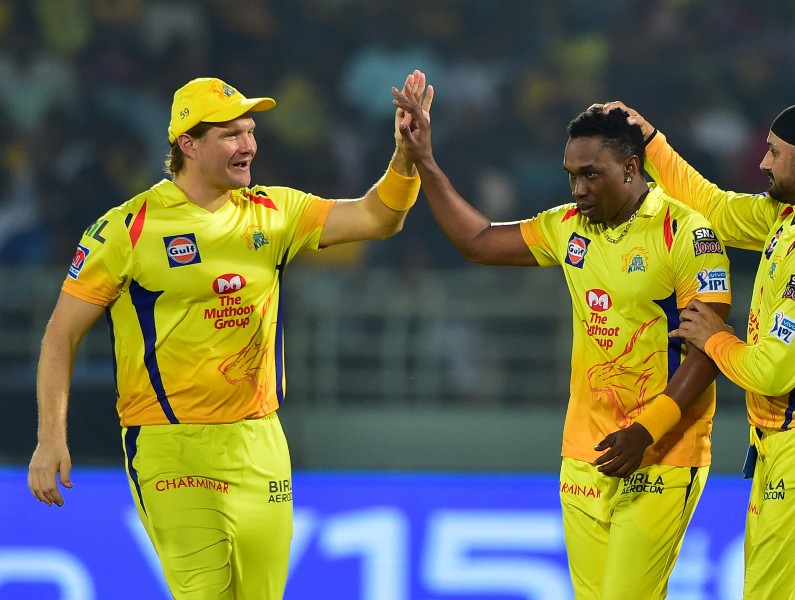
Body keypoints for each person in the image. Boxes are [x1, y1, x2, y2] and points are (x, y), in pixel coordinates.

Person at [28, 70, 433, 599]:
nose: (248, 145)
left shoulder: (274, 212)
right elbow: (60, 335)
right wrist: (50, 438)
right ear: (188, 144)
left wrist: (405, 157)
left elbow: (378, 219)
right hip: (170, 445)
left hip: (260, 442)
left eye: (249, 131)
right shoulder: (127, 228)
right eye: (231, 135)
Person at [392, 91, 732, 598]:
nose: (578, 189)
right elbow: (478, 241)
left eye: (591, 174)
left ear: (631, 168)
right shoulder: (568, 227)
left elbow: (709, 350)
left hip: (662, 452)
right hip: (584, 455)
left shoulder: (686, 233)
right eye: (571, 175)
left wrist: (646, 431)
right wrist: (424, 161)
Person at [601, 99, 795, 599]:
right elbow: (716, 210)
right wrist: (652, 143)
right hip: (785, 441)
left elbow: (770, 372)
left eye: (774, 152)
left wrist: (714, 336)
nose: (763, 162)